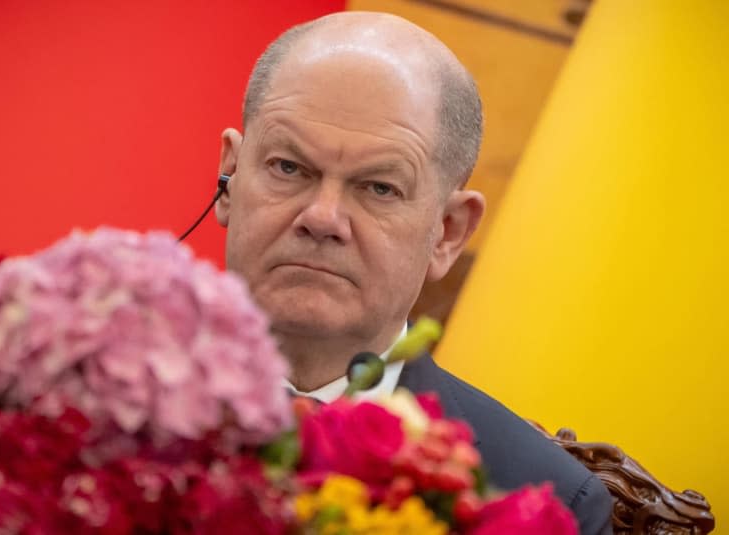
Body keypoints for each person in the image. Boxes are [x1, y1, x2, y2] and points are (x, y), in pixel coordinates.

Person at [214, 11, 613, 534]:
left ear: (447, 231)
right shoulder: (97, 409)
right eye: (289, 168)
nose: (322, 218)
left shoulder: (541, 500)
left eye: (379, 187)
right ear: (230, 176)